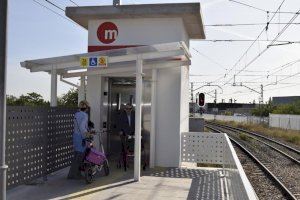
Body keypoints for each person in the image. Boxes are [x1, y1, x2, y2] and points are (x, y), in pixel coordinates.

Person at [67, 100, 90, 179]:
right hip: (81, 137)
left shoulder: (76, 114)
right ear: (86, 107)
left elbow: (77, 126)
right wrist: (87, 134)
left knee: (76, 156)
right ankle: (77, 174)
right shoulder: (85, 115)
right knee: (80, 157)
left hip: (75, 136)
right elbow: (82, 127)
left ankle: (71, 174)